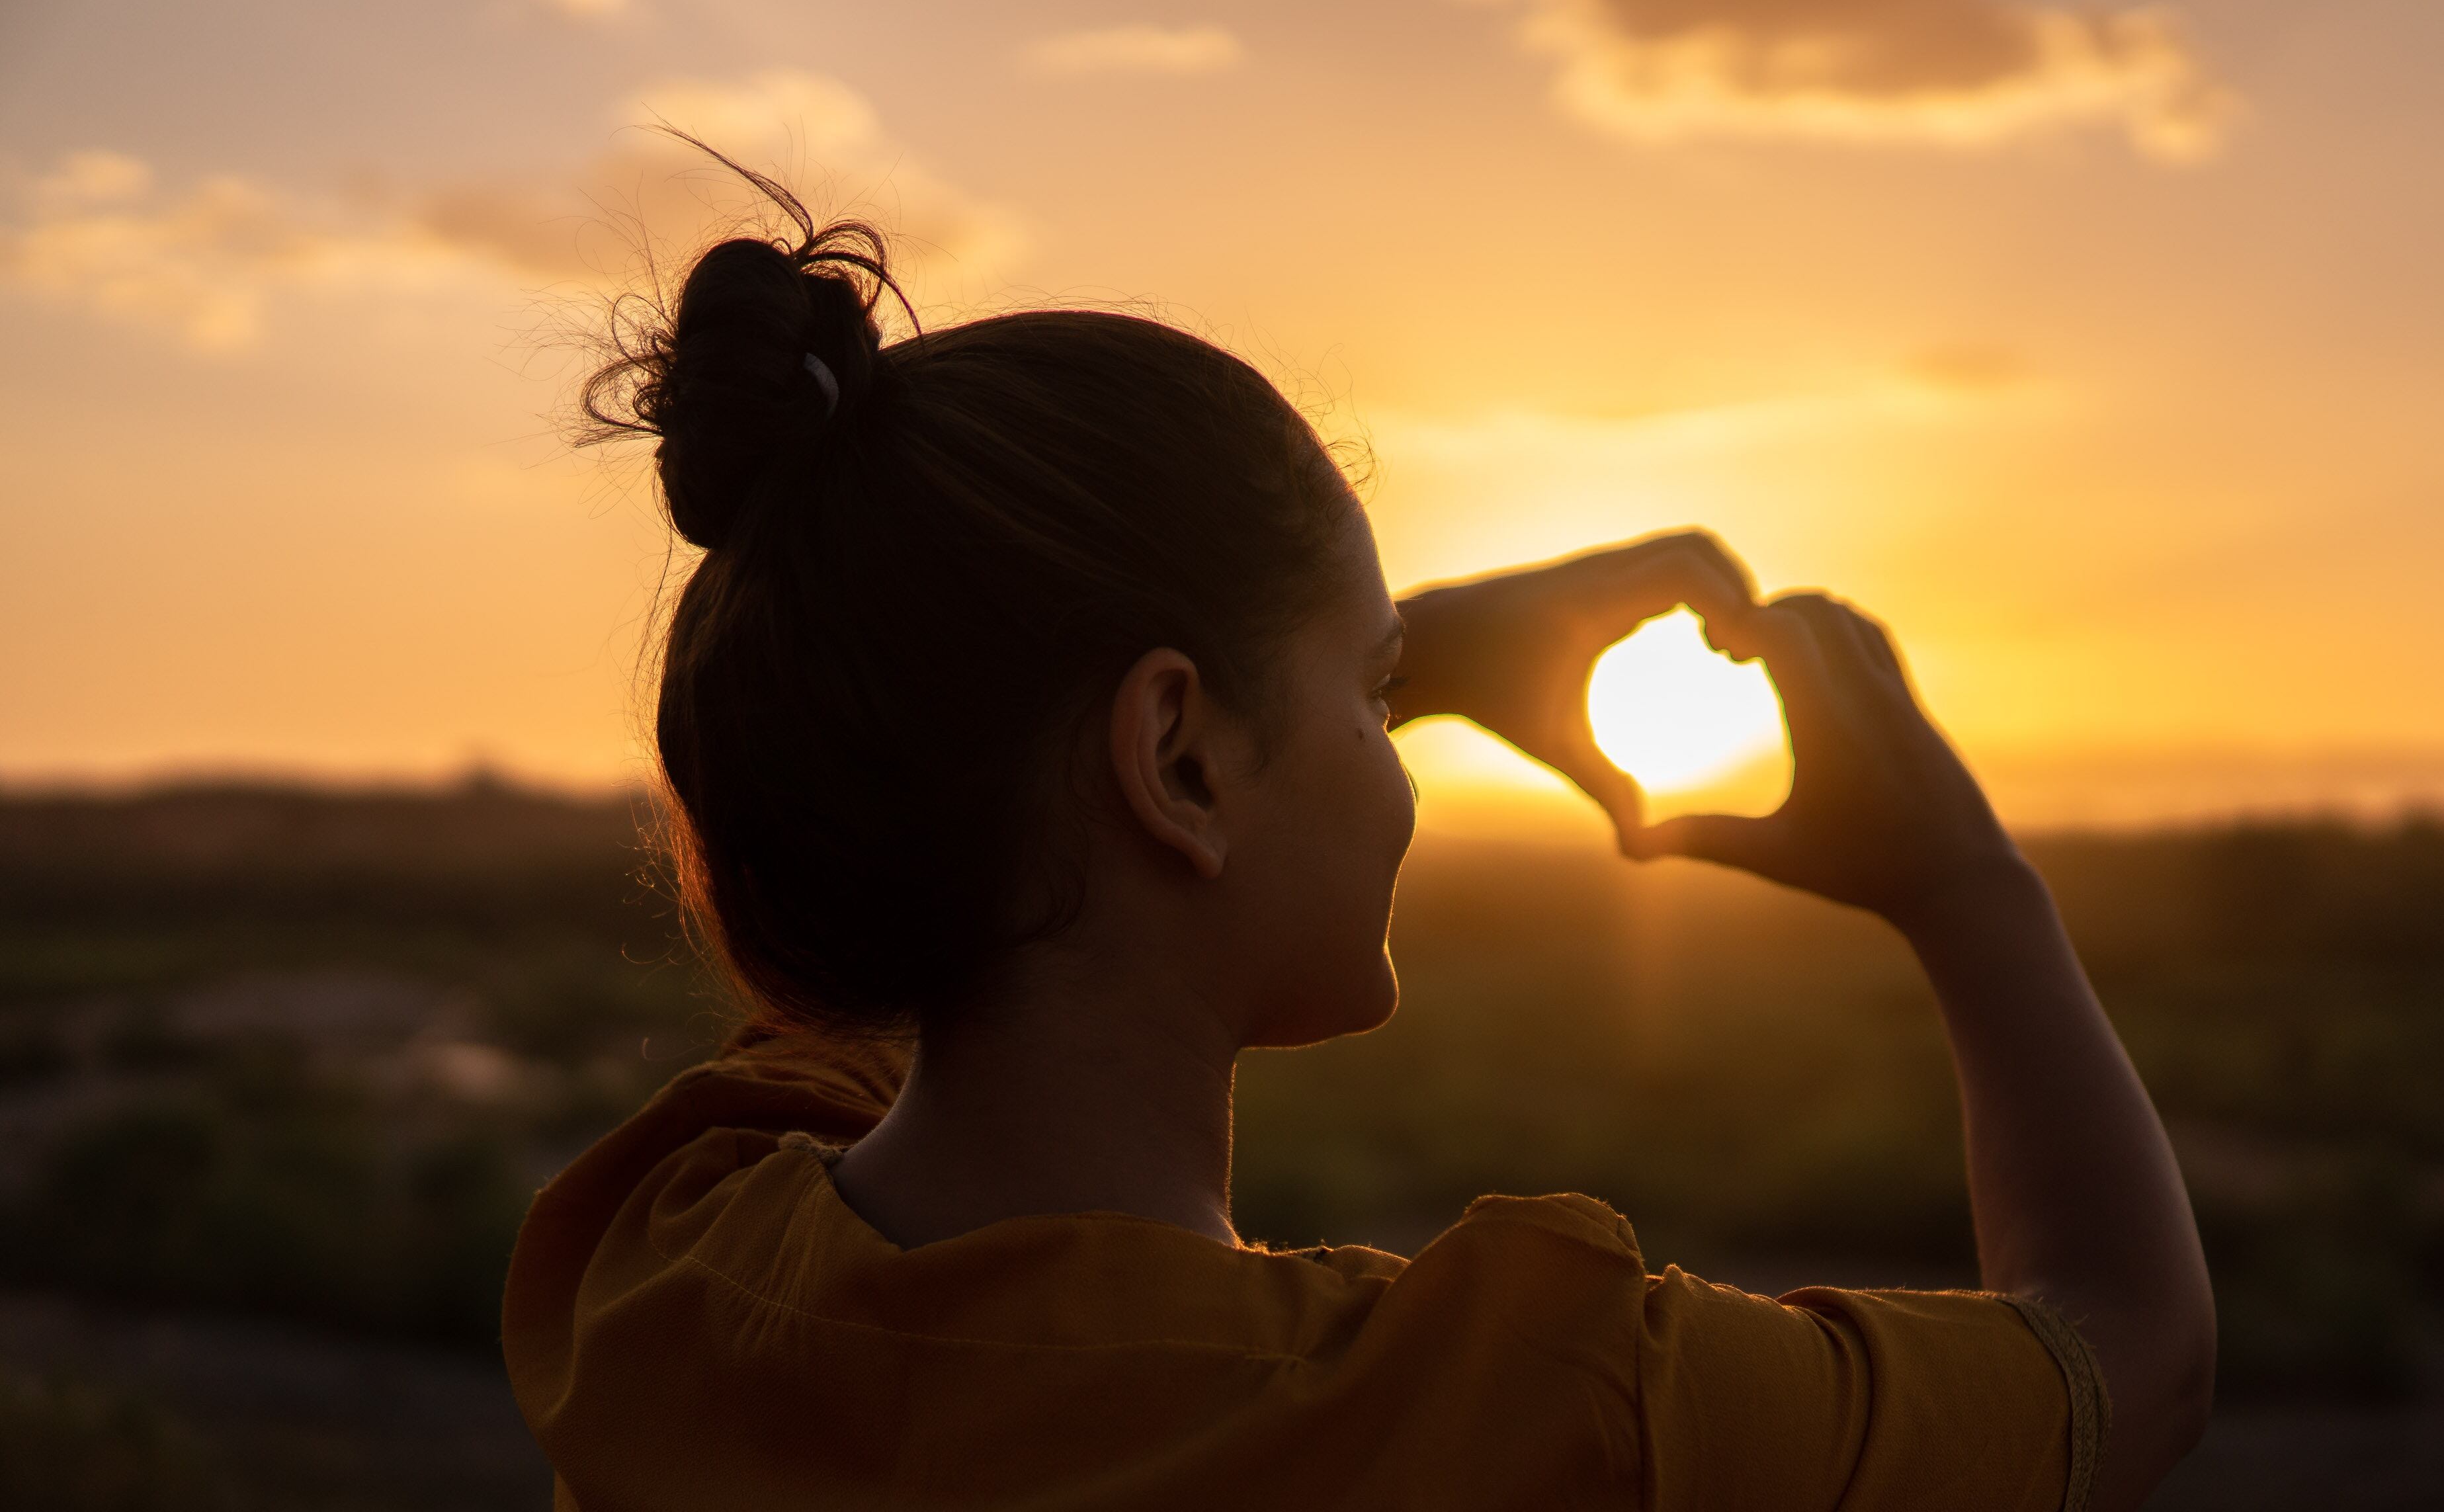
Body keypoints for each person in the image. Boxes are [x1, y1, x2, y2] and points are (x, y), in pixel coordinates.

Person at [502, 172, 2214, 1512]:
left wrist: (1350, 668)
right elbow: (2128, 1357)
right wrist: (1968, 889)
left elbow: (918, 843)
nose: (1395, 763)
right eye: (1372, 690)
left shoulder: (667, 1263)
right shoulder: (1527, 1410)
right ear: (1174, 755)